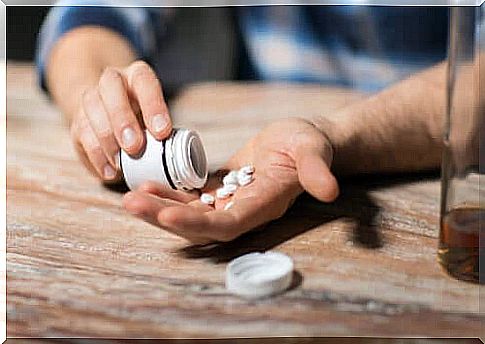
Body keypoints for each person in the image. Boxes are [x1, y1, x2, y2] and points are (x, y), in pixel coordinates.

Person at [37, 4, 482, 244]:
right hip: (270, 129)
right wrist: (97, 101)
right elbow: (89, 18)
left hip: (451, 173)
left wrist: (334, 134)